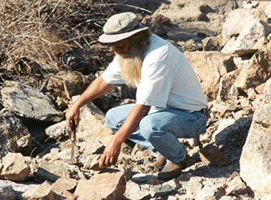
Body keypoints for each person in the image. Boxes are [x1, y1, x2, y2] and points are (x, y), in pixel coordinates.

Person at [65, 12, 208, 180]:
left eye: (120, 45)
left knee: (149, 125)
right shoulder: (128, 52)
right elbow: (104, 81)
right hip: (160, 112)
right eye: (113, 46)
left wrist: (115, 142)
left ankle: (179, 157)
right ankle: (164, 148)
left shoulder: (158, 56)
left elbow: (143, 108)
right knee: (113, 118)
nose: (116, 51)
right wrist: (77, 105)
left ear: (137, 38)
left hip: (191, 116)